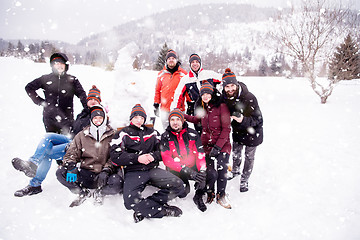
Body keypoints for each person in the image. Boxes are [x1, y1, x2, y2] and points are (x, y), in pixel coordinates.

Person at [12, 86, 103, 197]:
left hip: (81, 147)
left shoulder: (100, 116)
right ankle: (32, 163)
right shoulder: (83, 113)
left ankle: (35, 184)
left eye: (95, 99)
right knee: (48, 136)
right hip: (73, 140)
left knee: (47, 153)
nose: (92, 101)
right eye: (90, 99)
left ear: (99, 102)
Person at [110, 104, 185, 223]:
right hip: (133, 172)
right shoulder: (122, 134)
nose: (139, 120)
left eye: (141, 118)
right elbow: (115, 156)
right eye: (136, 117)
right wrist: (137, 158)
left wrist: (152, 156)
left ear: (145, 119)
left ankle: (146, 207)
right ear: (131, 118)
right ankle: (162, 210)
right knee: (129, 202)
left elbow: (165, 151)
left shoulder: (152, 132)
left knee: (179, 185)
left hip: (151, 170)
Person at [56, 105, 122, 207]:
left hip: (104, 176)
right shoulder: (82, 135)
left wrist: (107, 170)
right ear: (91, 119)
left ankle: (100, 193)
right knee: (61, 172)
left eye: (100, 118)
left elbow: (115, 156)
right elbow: (71, 152)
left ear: (104, 119)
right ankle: (82, 192)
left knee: (117, 183)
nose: (98, 120)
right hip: (86, 173)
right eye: (95, 118)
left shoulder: (112, 135)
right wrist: (71, 166)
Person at [185, 81, 232, 209]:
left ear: (212, 94)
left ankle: (221, 194)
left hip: (222, 144)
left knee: (222, 167)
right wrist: (183, 116)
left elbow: (226, 129)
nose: (205, 96)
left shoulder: (222, 106)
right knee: (209, 170)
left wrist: (218, 147)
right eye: (203, 94)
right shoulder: (203, 108)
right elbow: (196, 120)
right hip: (207, 144)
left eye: (207, 94)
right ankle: (210, 190)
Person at [221, 68, 263, 192]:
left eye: (232, 85)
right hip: (238, 132)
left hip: (253, 133)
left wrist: (243, 120)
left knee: (249, 158)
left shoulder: (249, 97)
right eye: (227, 86)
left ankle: (244, 180)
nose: (230, 89)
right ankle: (235, 171)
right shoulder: (225, 97)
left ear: (237, 84)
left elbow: (258, 119)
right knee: (236, 154)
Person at [160, 109, 209, 212]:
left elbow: (200, 154)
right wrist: (187, 171)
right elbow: (167, 160)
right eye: (172, 120)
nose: (175, 122)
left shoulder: (193, 134)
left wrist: (202, 172)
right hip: (177, 169)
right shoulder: (165, 136)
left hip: (192, 165)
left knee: (211, 175)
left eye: (178, 119)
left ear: (182, 121)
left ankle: (198, 195)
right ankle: (181, 186)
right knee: (183, 192)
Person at [25, 52, 87, 134]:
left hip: (67, 118)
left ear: (66, 65)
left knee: (67, 143)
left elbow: (82, 95)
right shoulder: (45, 78)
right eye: (56, 63)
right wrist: (41, 102)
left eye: (61, 63)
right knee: (52, 141)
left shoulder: (72, 80)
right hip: (49, 118)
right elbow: (29, 88)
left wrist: (88, 108)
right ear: (53, 65)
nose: (59, 66)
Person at [176, 53, 221, 133]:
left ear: (200, 63)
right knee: (200, 132)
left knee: (215, 131)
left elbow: (225, 81)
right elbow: (178, 94)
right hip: (197, 109)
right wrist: (175, 109)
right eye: (192, 62)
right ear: (190, 64)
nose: (195, 64)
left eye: (197, 62)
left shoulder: (209, 74)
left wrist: (220, 97)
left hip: (213, 107)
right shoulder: (185, 79)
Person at [153, 49, 187, 129]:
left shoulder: (183, 74)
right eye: (169, 59)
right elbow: (157, 90)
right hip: (165, 108)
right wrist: (156, 103)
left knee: (179, 129)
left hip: (179, 108)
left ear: (176, 60)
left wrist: (190, 103)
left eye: (173, 58)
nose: (171, 60)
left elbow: (187, 91)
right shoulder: (161, 74)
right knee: (166, 130)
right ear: (166, 61)